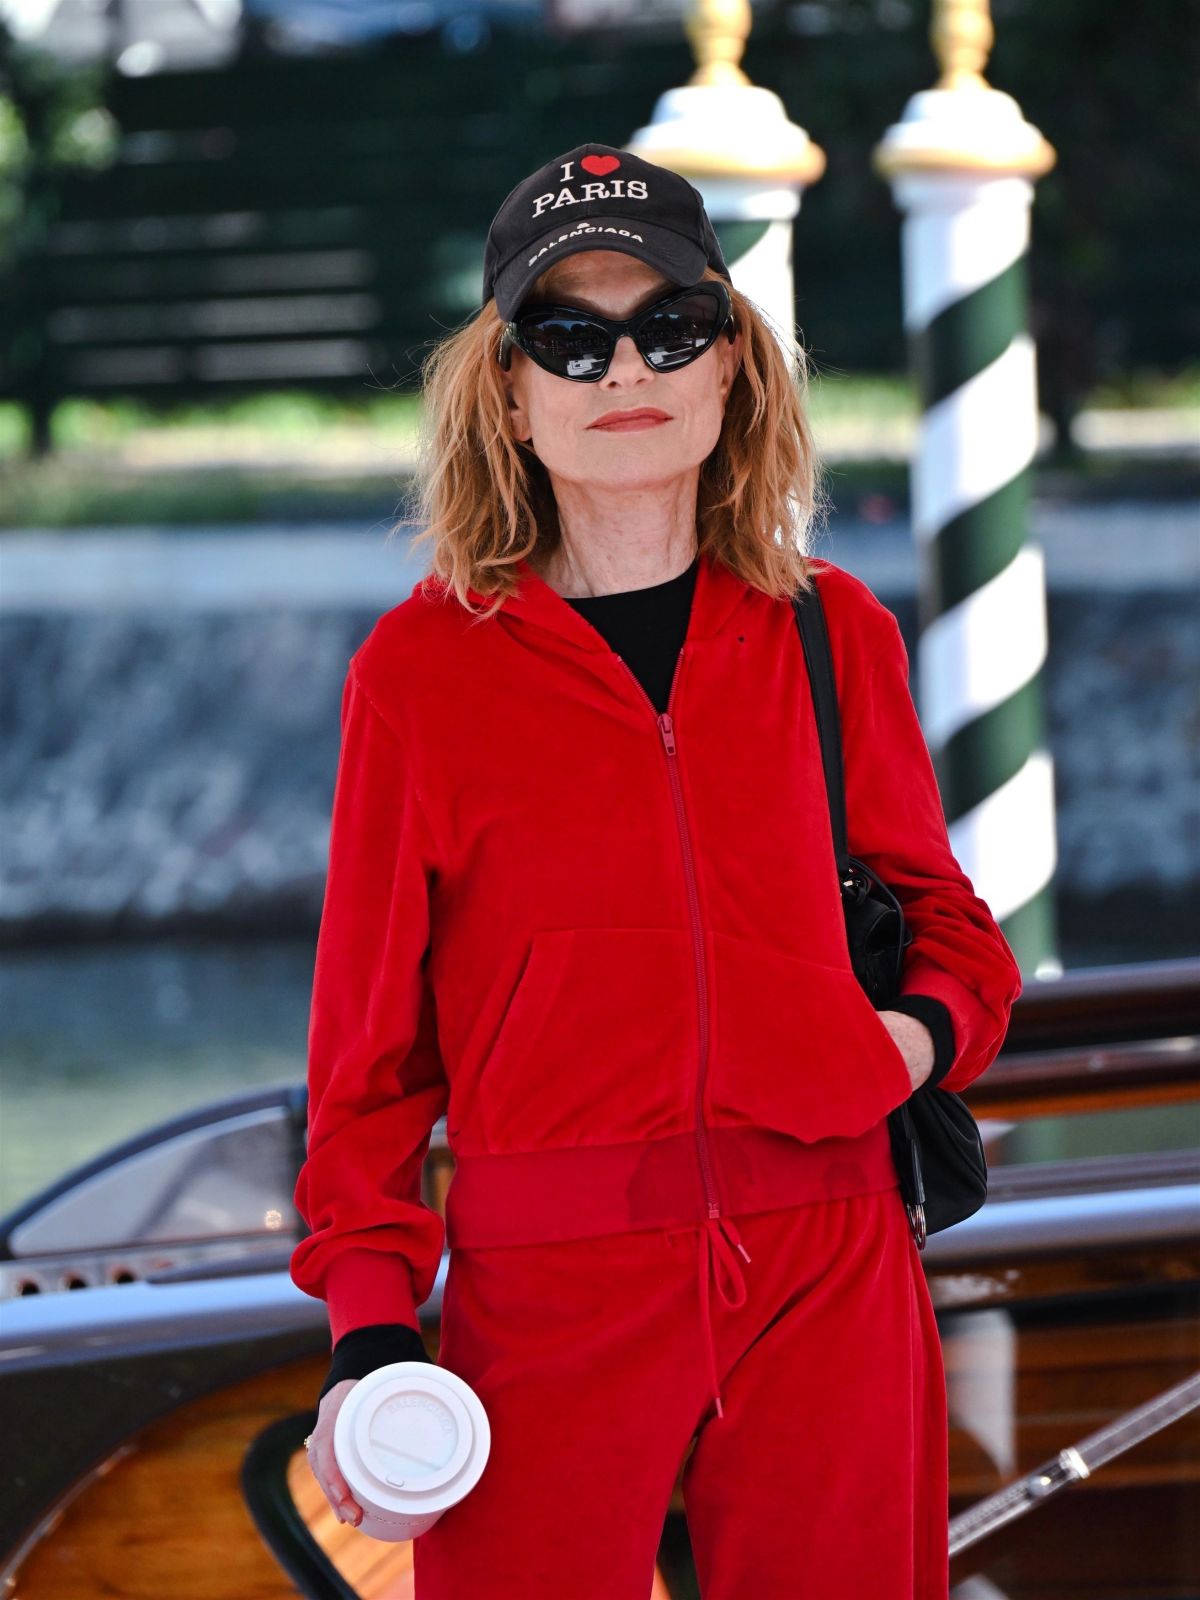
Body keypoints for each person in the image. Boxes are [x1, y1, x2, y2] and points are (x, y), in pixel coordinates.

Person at [291, 141, 1023, 1599]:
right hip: (546, 1291)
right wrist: (373, 1330)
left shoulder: (837, 636)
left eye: (667, 328)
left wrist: (903, 1040)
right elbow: (365, 1063)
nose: (623, 370)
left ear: (730, 363)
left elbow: (955, 933)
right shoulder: (420, 677)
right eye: (568, 335)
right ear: (509, 389)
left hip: (830, 1257)